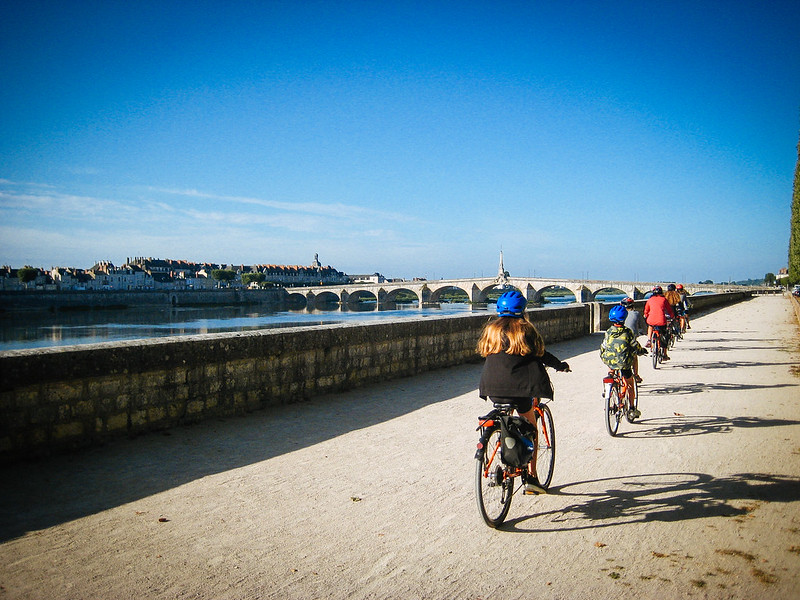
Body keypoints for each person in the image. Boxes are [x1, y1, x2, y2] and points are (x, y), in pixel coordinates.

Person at [477, 290, 570, 495]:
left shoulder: (491, 330)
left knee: (504, 418)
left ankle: (503, 446)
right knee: (530, 427)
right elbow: (541, 353)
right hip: (519, 390)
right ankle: (531, 478)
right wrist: (559, 365)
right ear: (522, 311)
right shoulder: (525, 330)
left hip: (491, 388)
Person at [600, 305, 646, 418]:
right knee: (630, 384)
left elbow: (604, 346)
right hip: (624, 363)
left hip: (609, 360)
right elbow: (635, 345)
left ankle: (609, 385)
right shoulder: (628, 332)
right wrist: (641, 351)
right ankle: (632, 409)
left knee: (612, 363)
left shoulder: (608, 331)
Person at [643, 286, 675, 360]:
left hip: (651, 319)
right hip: (661, 321)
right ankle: (664, 354)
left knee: (650, 326)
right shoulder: (664, 299)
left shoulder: (650, 300)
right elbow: (669, 310)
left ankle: (649, 340)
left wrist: (646, 315)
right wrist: (672, 317)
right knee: (664, 335)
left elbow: (646, 311)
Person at [621, 297, 646, 383]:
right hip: (631, 339)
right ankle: (636, 374)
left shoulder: (619, 314)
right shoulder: (636, 313)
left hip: (619, 340)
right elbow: (644, 326)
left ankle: (611, 374)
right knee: (634, 356)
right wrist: (644, 332)